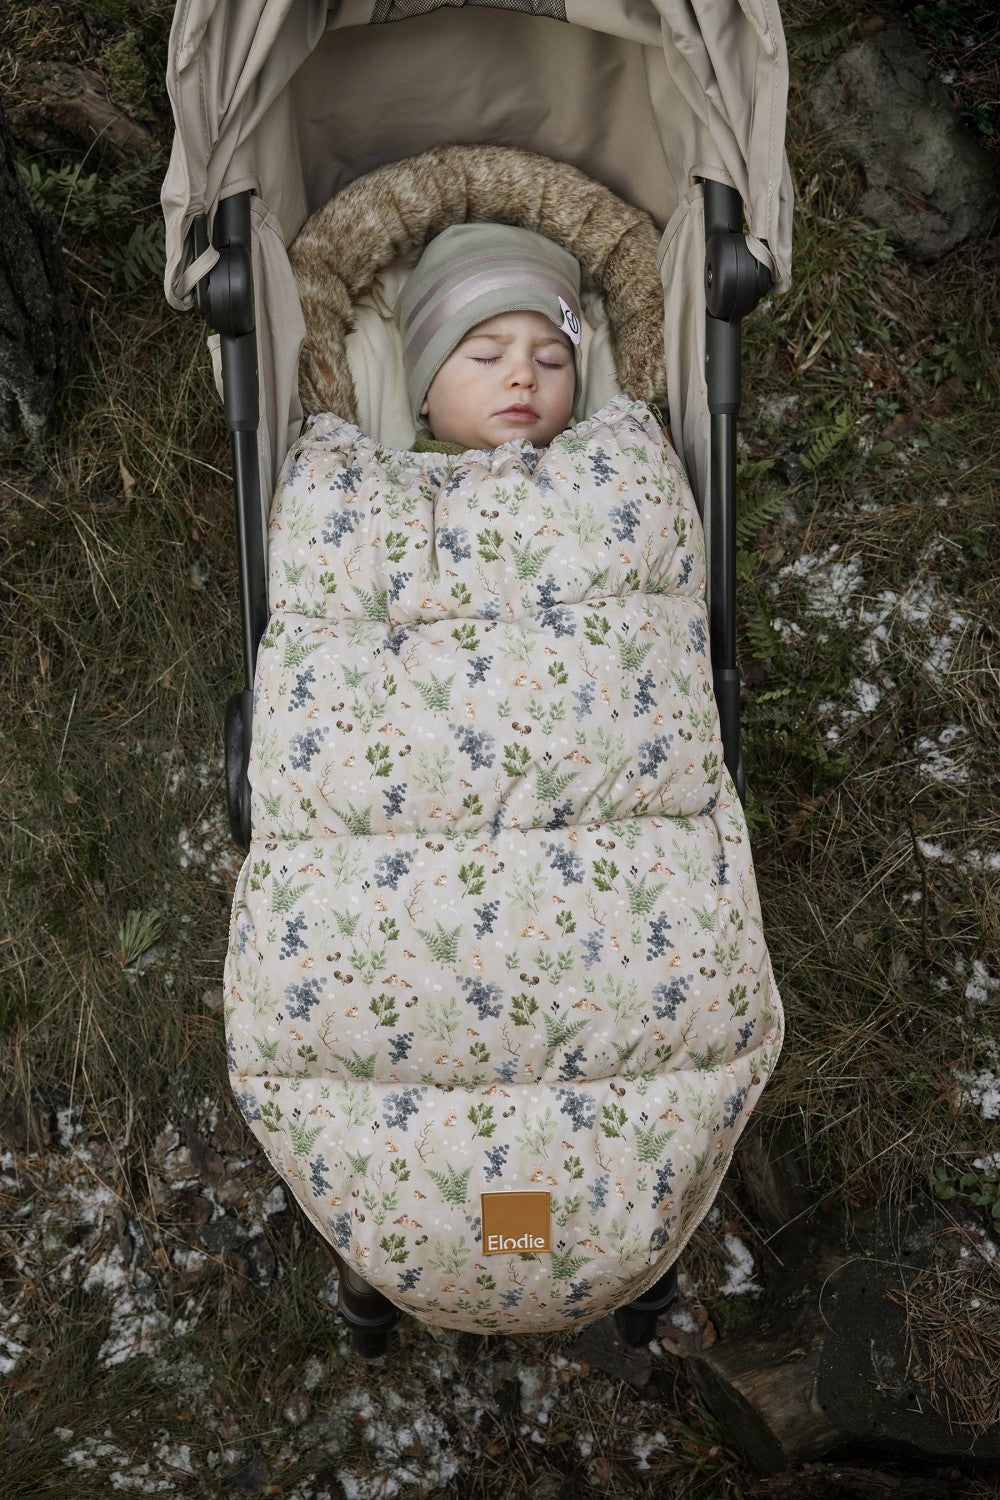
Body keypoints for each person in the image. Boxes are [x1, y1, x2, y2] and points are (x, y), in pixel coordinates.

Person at [396, 222, 584, 454]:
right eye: (488, 357)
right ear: (425, 390)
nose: (524, 376)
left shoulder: (607, 454)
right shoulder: (392, 481)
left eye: (550, 361)